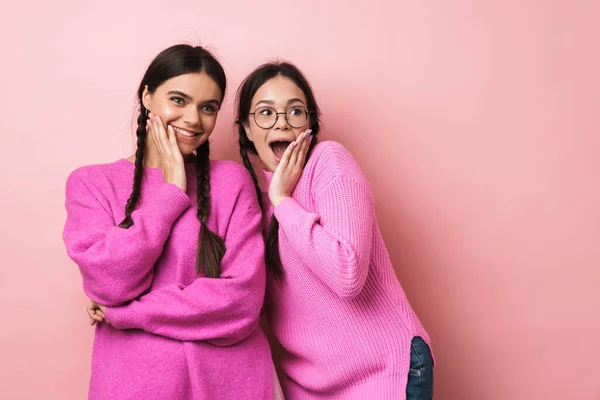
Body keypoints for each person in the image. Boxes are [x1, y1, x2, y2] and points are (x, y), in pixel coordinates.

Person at [63, 44, 273, 399]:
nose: (193, 119)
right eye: (178, 100)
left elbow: (242, 302)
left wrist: (129, 313)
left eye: (208, 107)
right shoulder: (91, 184)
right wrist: (172, 192)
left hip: (232, 384)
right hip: (134, 385)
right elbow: (109, 284)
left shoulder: (232, 182)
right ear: (147, 95)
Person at [234, 61, 434, 399]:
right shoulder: (254, 207)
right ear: (247, 130)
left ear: (310, 123)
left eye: (295, 111)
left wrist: (283, 200)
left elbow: (347, 274)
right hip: (309, 388)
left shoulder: (329, 163)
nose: (281, 122)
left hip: (382, 373)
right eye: (265, 113)